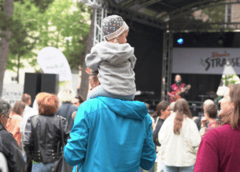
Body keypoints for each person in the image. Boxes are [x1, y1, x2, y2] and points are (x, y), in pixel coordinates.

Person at [64, 14, 156, 172]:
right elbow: (148, 162)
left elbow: (72, 156)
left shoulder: (88, 109)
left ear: (99, 77)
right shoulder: (143, 115)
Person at [85, 15, 136, 101]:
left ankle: (82, 113)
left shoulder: (100, 49)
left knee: (90, 97)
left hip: (109, 90)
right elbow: (133, 64)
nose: (126, 40)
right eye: (125, 37)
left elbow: (90, 64)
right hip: (130, 93)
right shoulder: (128, 50)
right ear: (118, 36)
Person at [23, 94, 70, 172]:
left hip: (37, 162)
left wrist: (30, 156)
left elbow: (27, 143)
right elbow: (68, 142)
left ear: (40, 105)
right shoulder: (61, 121)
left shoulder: (32, 120)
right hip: (56, 162)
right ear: (56, 106)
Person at [158, 98, 200, 172]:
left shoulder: (167, 121)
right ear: (187, 108)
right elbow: (196, 142)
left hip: (169, 159)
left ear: (174, 108)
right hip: (186, 160)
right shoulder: (190, 123)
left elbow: (161, 139)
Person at [0, 99, 25, 172]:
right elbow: (18, 165)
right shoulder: (5, 138)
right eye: (7, 117)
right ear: (2, 117)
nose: (8, 121)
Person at [151, 101, 171, 172]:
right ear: (162, 111)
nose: (170, 112)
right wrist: (161, 144)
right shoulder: (160, 123)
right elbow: (153, 137)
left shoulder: (159, 120)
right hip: (161, 154)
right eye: (168, 110)